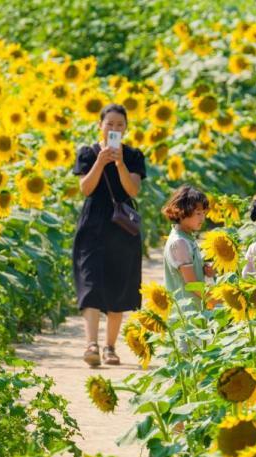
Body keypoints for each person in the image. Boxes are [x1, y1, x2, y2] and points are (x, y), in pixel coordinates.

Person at [72, 103, 146, 367]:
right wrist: (101, 163)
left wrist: (120, 164)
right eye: (109, 124)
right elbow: (86, 188)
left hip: (122, 227)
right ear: (100, 126)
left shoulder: (134, 156)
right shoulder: (88, 154)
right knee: (90, 283)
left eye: (119, 125)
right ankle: (91, 344)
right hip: (93, 225)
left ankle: (110, 347)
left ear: (125, 129)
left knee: (119, 286)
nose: (114, 128)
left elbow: (133, 190)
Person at [161, 185, 216, 311]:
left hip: (195, 309)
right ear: (181, 212)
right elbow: (192, 285)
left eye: (204, 213)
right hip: (186, 314)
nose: (202, 218)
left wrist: (205, 270)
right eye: (198, 213)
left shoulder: (186, 238)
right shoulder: (180, 242)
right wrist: (217, 300)